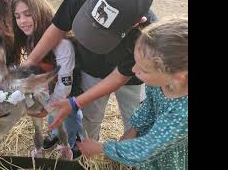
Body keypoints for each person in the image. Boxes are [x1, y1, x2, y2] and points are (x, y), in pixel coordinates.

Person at [21, 0, 157, 142]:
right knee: (90, 117)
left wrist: (74, 102)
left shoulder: (146, 35)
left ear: (136, 22)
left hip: (131, 79)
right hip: (91, 68)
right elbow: (58, 27)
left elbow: (119, 76)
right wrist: (30, 61)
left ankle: (131, 152)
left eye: (102, 34)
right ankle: (89, 145)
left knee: (133, 119)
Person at [77, 18, 188, 169]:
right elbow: (149, 106)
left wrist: (102, 148)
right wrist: (134, 129)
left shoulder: (183, 113)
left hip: (167, 160)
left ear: (177, 76)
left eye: (144, 70)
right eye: (135, 62)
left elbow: (145, 150)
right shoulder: (159, 83)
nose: (134, 70)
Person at [11, 0, 83, 159]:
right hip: (49, 87)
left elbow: (65, 84)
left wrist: (47, 108)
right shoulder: (29, 38)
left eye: (28, 14)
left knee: (69, 116)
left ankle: (72, 144)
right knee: (53, 118)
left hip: (68, 90)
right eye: (17, 16)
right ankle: (56, 135)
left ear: (40, 11)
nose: (22, 21)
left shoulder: (63, 44)